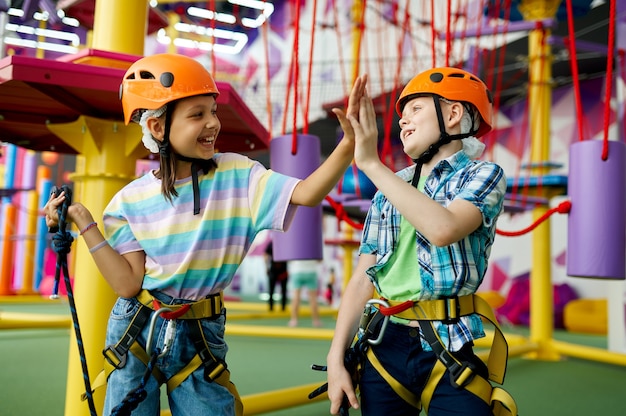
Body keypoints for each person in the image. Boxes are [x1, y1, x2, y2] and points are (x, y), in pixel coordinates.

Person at [44, 53, 366, 416]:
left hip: (200, 333)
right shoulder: (127, 202)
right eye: (197, 114)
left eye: (213, 111)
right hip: (135, 327)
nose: (213, 123)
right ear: (157, 128)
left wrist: (348, 145)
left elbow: (306, 193)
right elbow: (128, 284)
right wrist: (85, 222)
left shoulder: (239, 176)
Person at [325, 67, 510, 416]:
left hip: (449, 342)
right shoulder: (389, 190)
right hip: (384, 343)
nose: (402, 121)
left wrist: (370, 164)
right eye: (402, 114)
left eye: (415, 109)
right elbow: (363, 279)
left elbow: (444, 228)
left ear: (453, 114)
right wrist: (336, 358)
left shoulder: (483, 174)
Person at [287, 259, 322, 327]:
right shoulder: (314, 247)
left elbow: (290, 259)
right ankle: (316, 321)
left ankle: (293, 320)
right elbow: (320, 260)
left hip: (297, 271)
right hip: (311, 271)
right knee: (313, 298)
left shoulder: (295, 247)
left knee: (296, 297)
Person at [264, 241, 288, 311]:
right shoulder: (272, 243)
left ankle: (282, 308)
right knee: (272, 290)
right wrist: (266, 267)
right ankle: (272, 308)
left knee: (283, 290)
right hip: (274, 270)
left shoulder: (285, 243)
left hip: (283, 271)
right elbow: (265, 255)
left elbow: (265, 255)